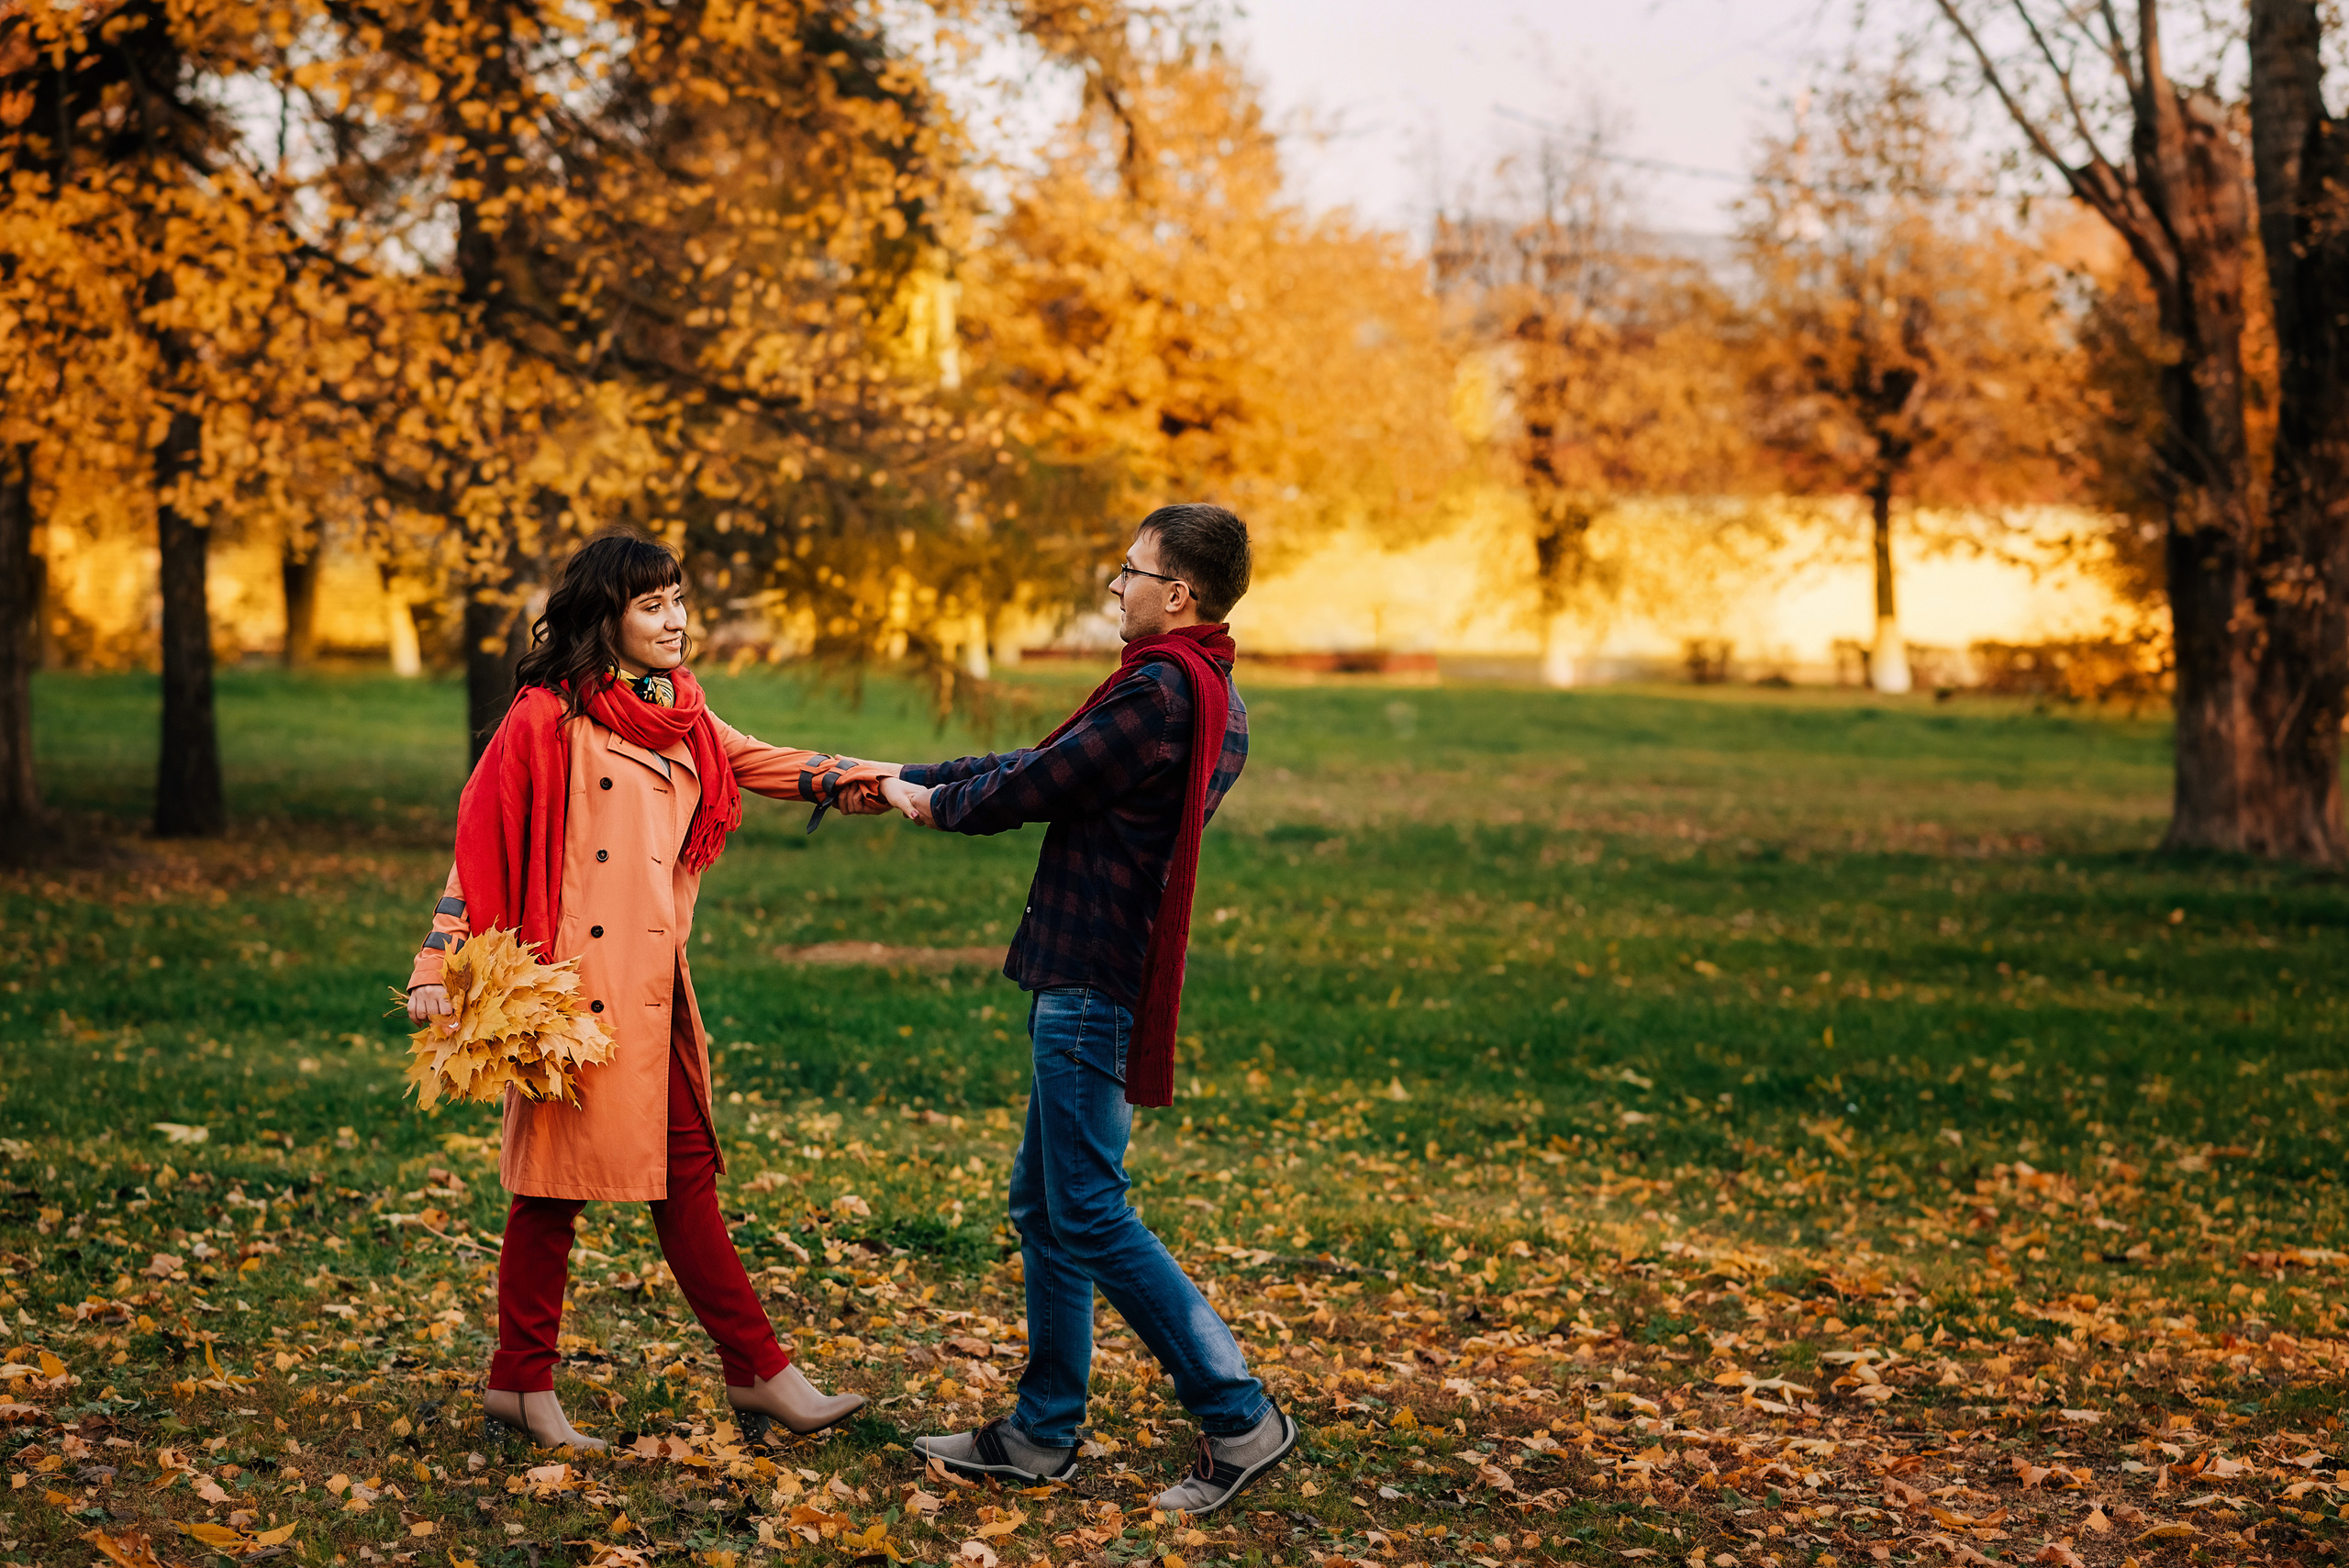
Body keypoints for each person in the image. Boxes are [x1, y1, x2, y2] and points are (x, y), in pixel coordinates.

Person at [404, 529, 894, 1451]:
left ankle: (742, 1372)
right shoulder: (546, 717)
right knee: (554, 1191)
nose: (676, 621)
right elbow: (482, 842)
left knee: (679, 1176)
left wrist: (891, 784)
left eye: (678, 600)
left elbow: (768, 763)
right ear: (607, 616)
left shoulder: (683, 716)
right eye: (653, 604)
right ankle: (584, 1379)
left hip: (653, 989)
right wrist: (438, 964)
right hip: (568, 999)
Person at [881, 504, 1296, 1517]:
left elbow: (1038, 784)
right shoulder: (1196, 690)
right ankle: (1039, 1431)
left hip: (1093, 983)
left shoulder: (1160, 694)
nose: (1116, 587)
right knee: (1048, 1202)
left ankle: (1238, 1412)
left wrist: (928, 800)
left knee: (1090, 1208)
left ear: (1177, 594)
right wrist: (895, 777)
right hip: (1091, 971)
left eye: (1128, 571)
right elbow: (1042, 764)